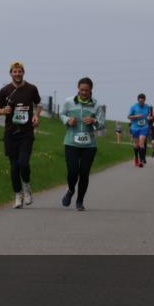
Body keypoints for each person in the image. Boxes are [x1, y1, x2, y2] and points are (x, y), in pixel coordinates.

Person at [0, 61, 41, 208]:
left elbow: (38, 104)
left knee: (23, 163)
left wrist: (36, 116)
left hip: (26, 132)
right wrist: (2, 111)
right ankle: (18, 195)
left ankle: (26, 187)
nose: (17, 74)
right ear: (11, 73)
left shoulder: (31, 88)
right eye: (15, 71)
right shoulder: (5, 90)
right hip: (10, 133)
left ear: (23, 72)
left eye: (19, 71)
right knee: (14, 167)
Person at [60, 77, 106, 211]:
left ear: (91, 90)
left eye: (86, 90)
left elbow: (102, 124)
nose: (84, 92)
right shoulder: (69, 102)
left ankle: (80, 201)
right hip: (71, 142)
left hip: (89, 145)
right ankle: (70, 190)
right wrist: (68, 120)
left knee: (84, 173)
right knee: (73, 171)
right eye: (81, 90)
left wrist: (93, 121)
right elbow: (61, 114)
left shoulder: (97, 105)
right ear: (78, 89)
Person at [127, 93, 152, 167]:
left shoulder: (147, 107)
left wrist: (149, 118)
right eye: (140, 101)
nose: (141, 102)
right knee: (136, 145)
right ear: (138, 100)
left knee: (141, 143)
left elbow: (150, 116)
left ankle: (141, 161)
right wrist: (136, 116)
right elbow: (128, 117)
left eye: (142, 101)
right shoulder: (133, 107)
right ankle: (136, 158)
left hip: (144, 127)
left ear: (144, 100)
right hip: (135, 127)